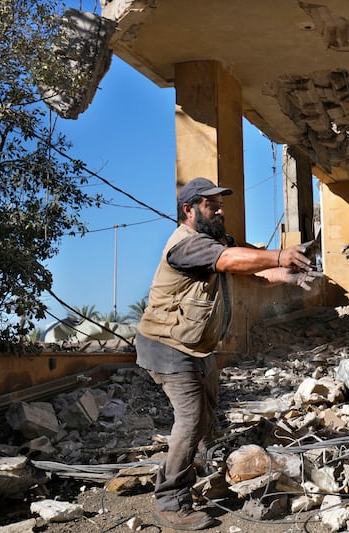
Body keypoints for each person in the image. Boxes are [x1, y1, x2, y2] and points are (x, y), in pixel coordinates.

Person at [136, 177, 320, 530]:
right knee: (191, 420)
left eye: (220, 203)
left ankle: (208, 469)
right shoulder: (186, 246)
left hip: (195, 346)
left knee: (208, 415)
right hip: (166, 346)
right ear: (189, 210)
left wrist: (288, 274)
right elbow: (232, 260)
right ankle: (170, 500)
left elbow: (251, 270)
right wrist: (281, 254)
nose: (220, 209)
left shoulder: (215, 242)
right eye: (211, 204)